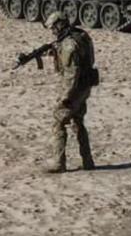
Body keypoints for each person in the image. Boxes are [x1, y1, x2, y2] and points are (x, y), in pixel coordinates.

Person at [42, 12, 99, 173]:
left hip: (75, 89)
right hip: (85, 86)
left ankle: (59, 163)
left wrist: (65, 97)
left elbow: (71, 74)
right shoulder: (81, 35)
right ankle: (88, 161)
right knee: (78, 122)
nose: (53, 31)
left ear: (60, 24)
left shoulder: (69, 44)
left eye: (54, 27)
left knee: (58, 121)